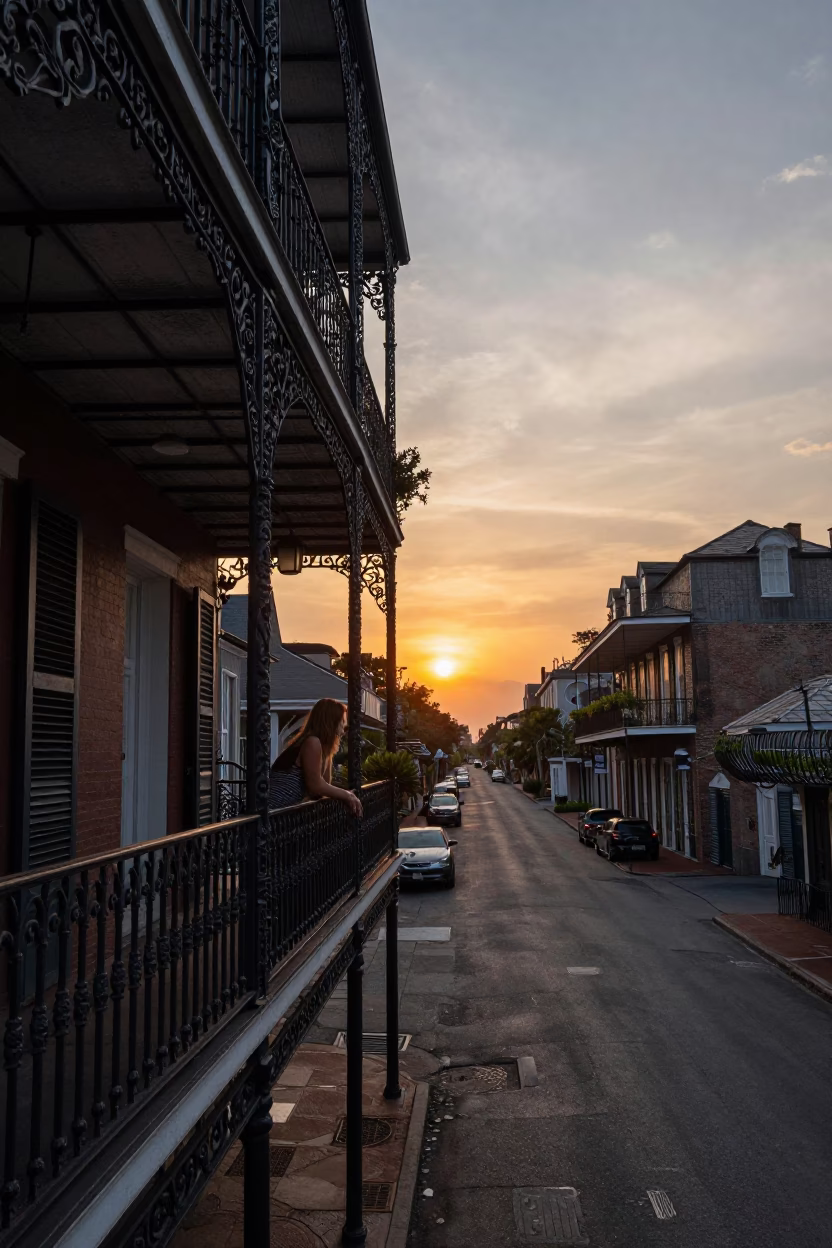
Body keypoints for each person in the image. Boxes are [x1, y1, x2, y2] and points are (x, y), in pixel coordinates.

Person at [269, 698, 363, 817]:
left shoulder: (319, 745)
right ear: (331, 722)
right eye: (341, 722)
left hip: (285, 813)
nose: (343, 731)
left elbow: (324, 783)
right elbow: (315, 786)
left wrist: (329, 750)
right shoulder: (312, 742)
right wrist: (347, 795)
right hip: (275, 812)